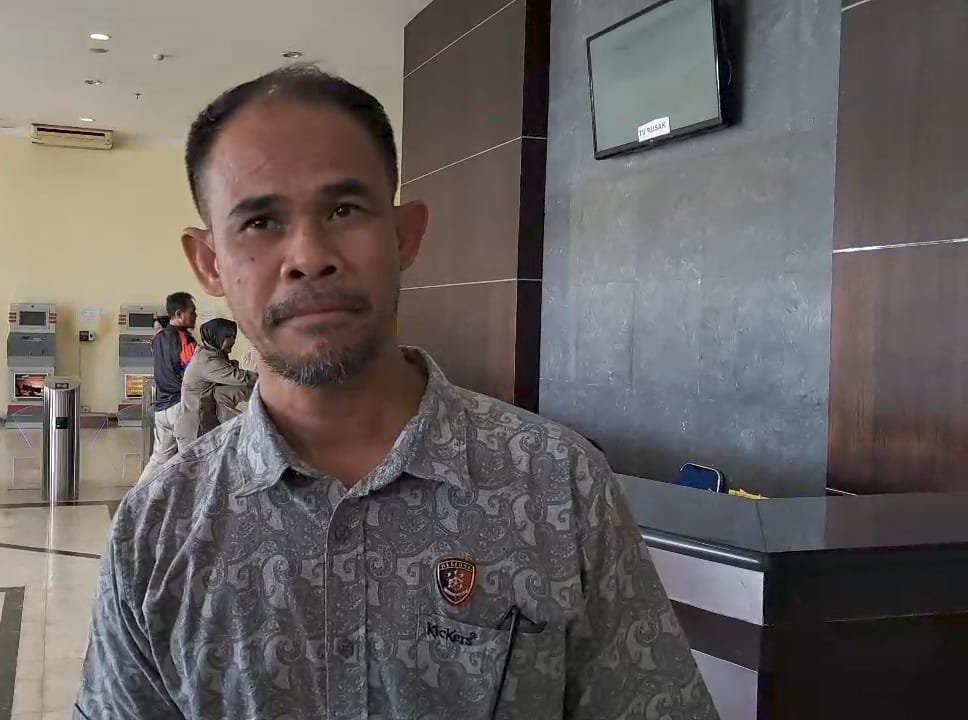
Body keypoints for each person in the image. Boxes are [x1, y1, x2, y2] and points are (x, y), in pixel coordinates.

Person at [76, 66, 717, 719]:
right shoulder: (159, 529)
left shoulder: (558, 487)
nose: (309, 256)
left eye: (343, 210)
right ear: (209, 262)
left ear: (404, 234)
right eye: (261, 221)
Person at [135, 292, 196, 484]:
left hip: (161, 407)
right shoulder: (186, 340)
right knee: (190, 459)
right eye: (192, 312)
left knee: (158, 459)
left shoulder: (158, 338)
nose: (195, 316)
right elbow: (193, 373)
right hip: (180, 406)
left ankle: (137, 495)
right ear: (179, 314)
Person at [175, 318, 256, 446]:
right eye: (230, 337)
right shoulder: (207, 362)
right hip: (194, 432)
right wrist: (271, 378)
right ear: (218, 336)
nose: (233, 341)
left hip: (203, 427)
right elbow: (242, 378)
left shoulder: (211, 355)